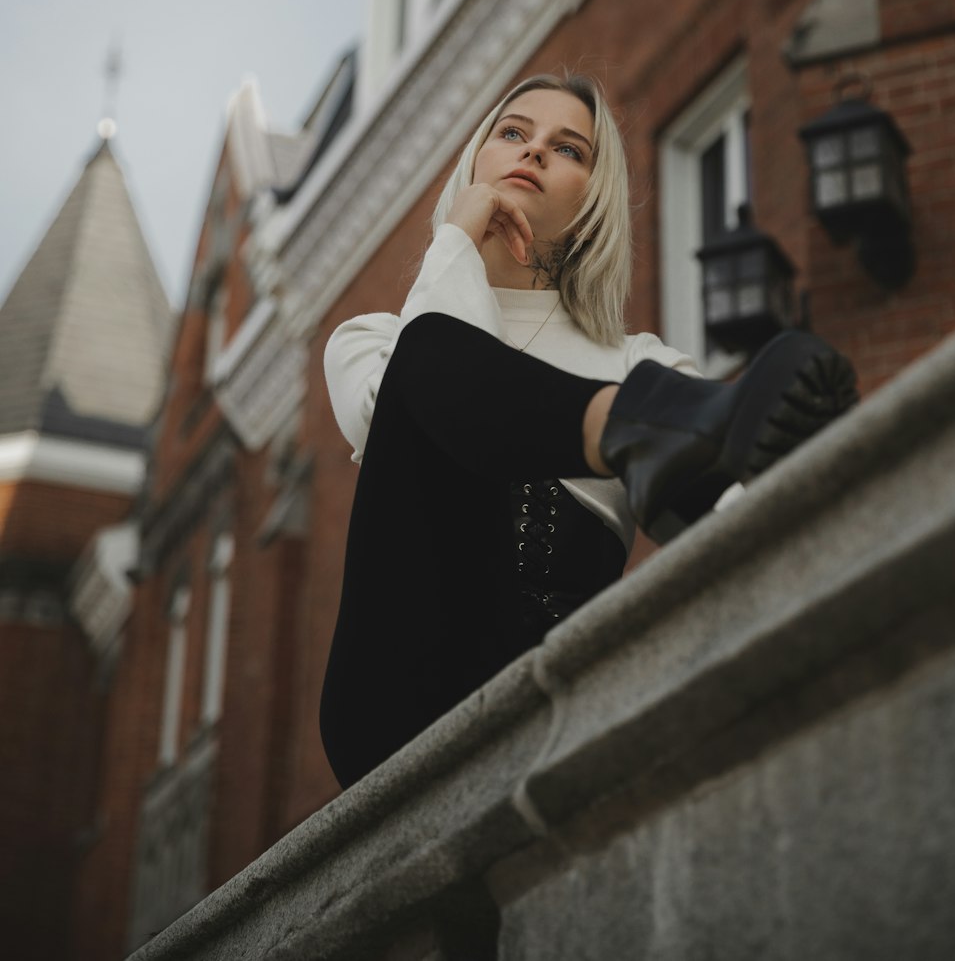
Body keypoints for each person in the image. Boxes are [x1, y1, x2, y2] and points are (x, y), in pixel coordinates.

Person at [319, 72, 856, 788]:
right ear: (474, 161)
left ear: (592, 196)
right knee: (427, 354)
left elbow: (720, 515)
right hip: (400, 690)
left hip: (555, 682)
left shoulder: (636, 358)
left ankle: (685, 447)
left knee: (714, 468)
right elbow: (411, 389)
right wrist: (457, 241)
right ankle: (639, 428)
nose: (533, 152)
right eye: (512, 133)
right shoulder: (370, 338)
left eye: (567, 149)